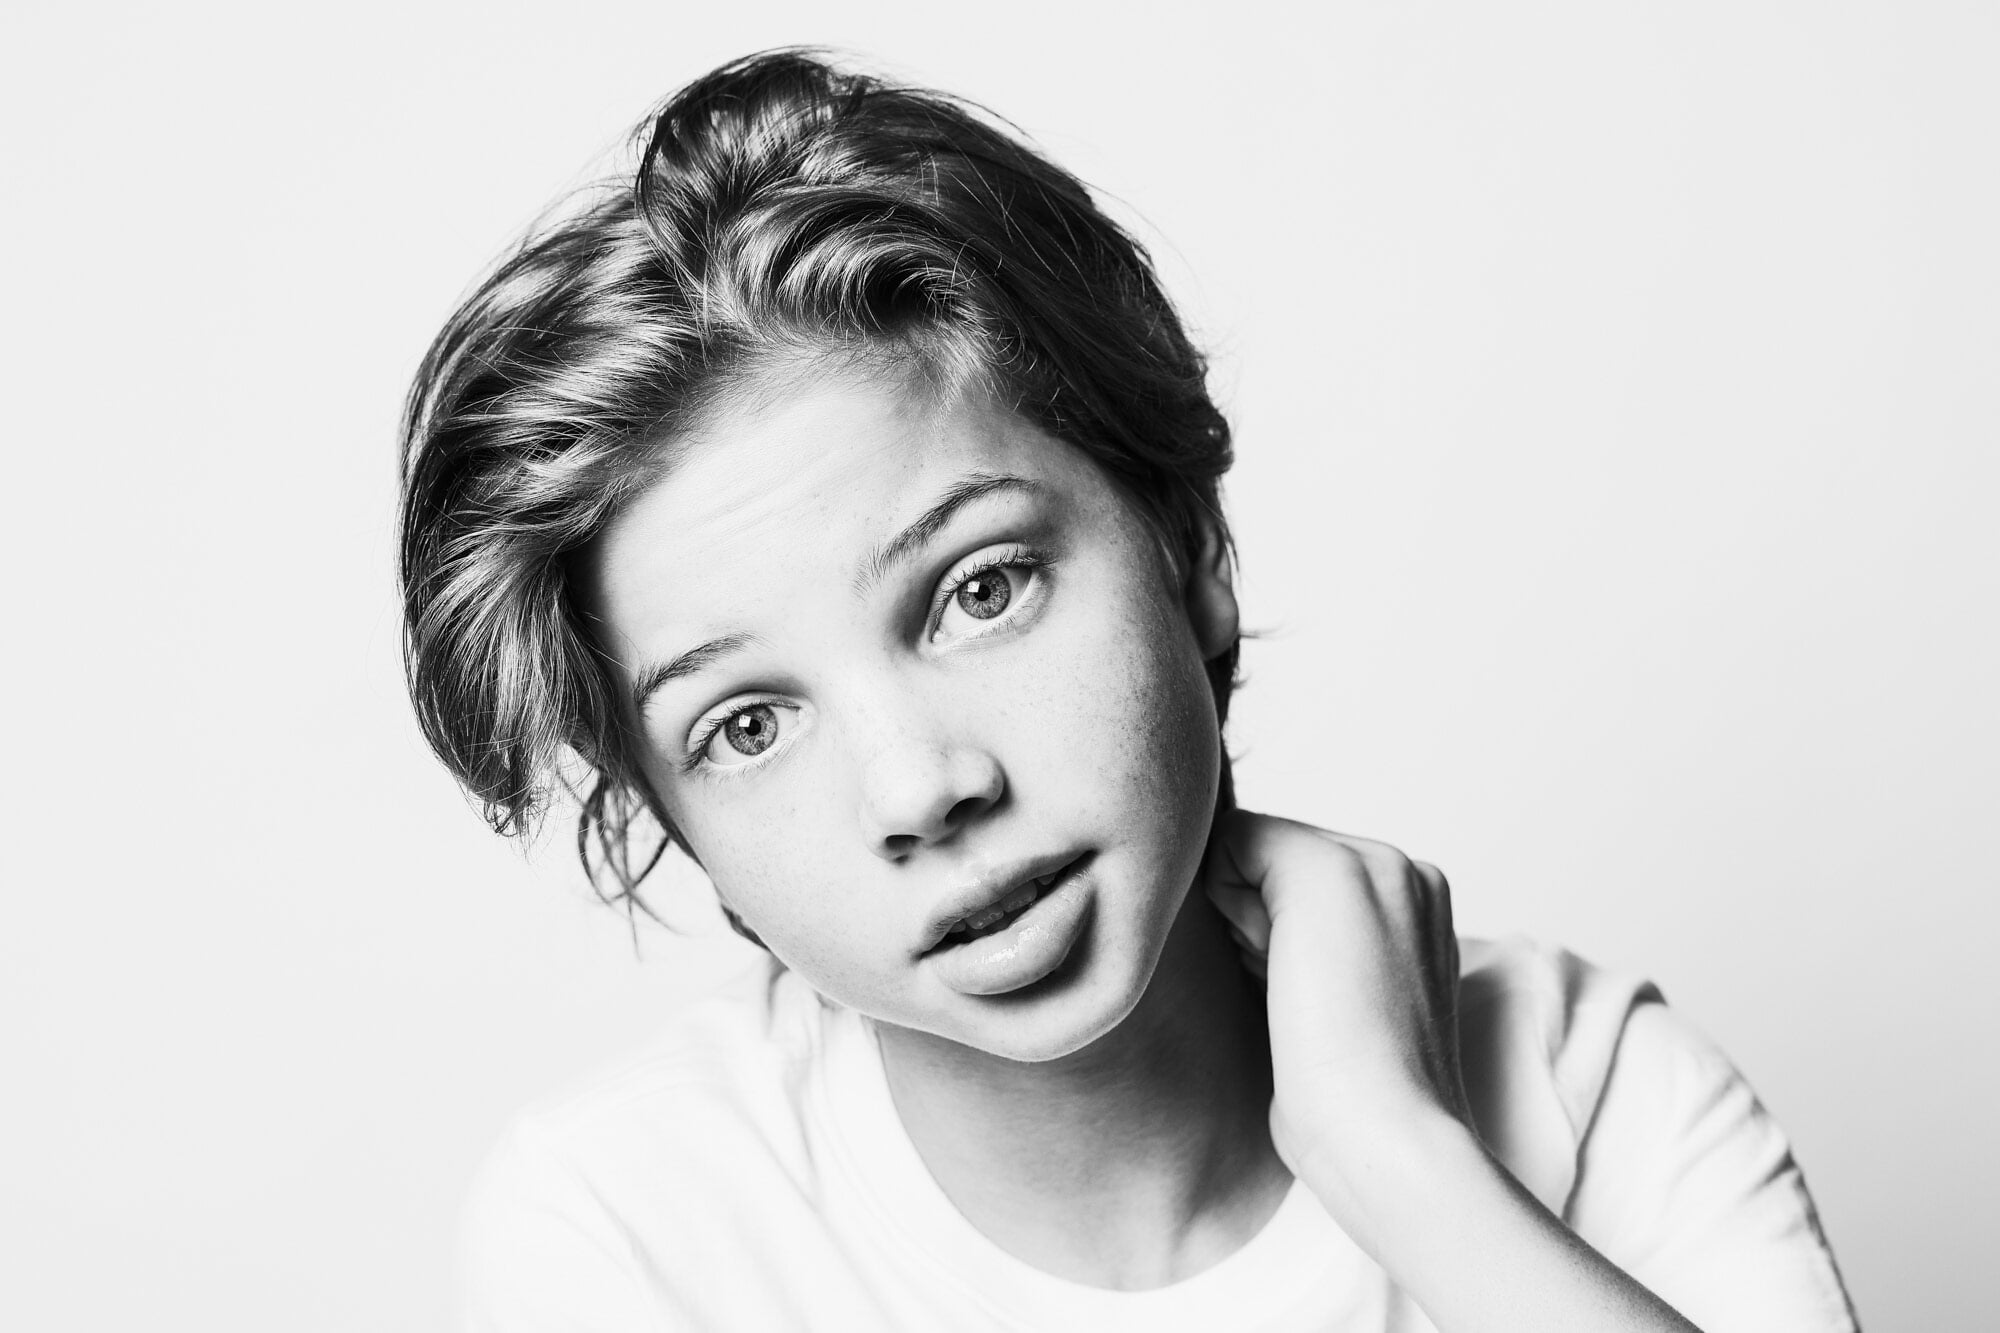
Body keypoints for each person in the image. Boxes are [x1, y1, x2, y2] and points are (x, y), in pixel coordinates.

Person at [399, 49, 1858, 1332]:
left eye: (980, 591)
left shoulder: (1593, 1091)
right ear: (678, 826)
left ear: (1189, 549)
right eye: (746, 726)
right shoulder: (628, 1233)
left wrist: (1403, 1164)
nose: (921, 789)